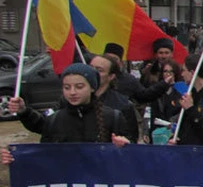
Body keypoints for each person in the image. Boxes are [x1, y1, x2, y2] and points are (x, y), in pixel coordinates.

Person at [1, 64, 130, 164]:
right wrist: (15, 157)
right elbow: (43, 158)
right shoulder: (54, 119)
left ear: (92, 87)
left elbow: (129, 159)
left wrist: (125, 146)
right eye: (67, 87)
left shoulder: (113, 117)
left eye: (79, 87)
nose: (72, 92)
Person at [90, 55, 140, 142]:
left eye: (99, 70)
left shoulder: (123, 105)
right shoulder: (77, 100)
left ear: (111, 76)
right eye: (90, 68)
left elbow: (131, 139)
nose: (92, 72)